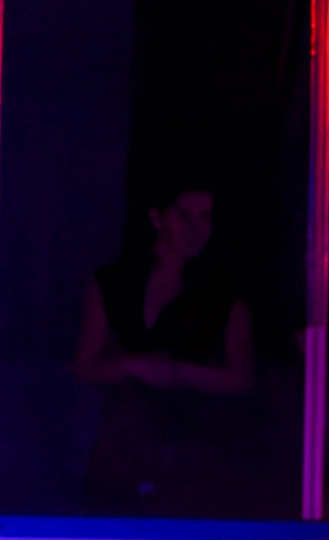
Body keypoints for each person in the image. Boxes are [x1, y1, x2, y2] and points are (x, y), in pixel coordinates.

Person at [74, 185, 255, 513]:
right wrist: (134, 366)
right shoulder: (113, 282)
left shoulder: (224, 295)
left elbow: (242, 377)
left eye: (205, 217)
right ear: (157, 217)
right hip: (122, 450)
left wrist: (178, 373)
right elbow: (85, 366)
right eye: (185, 215)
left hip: (193, 452)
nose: (196, 229)